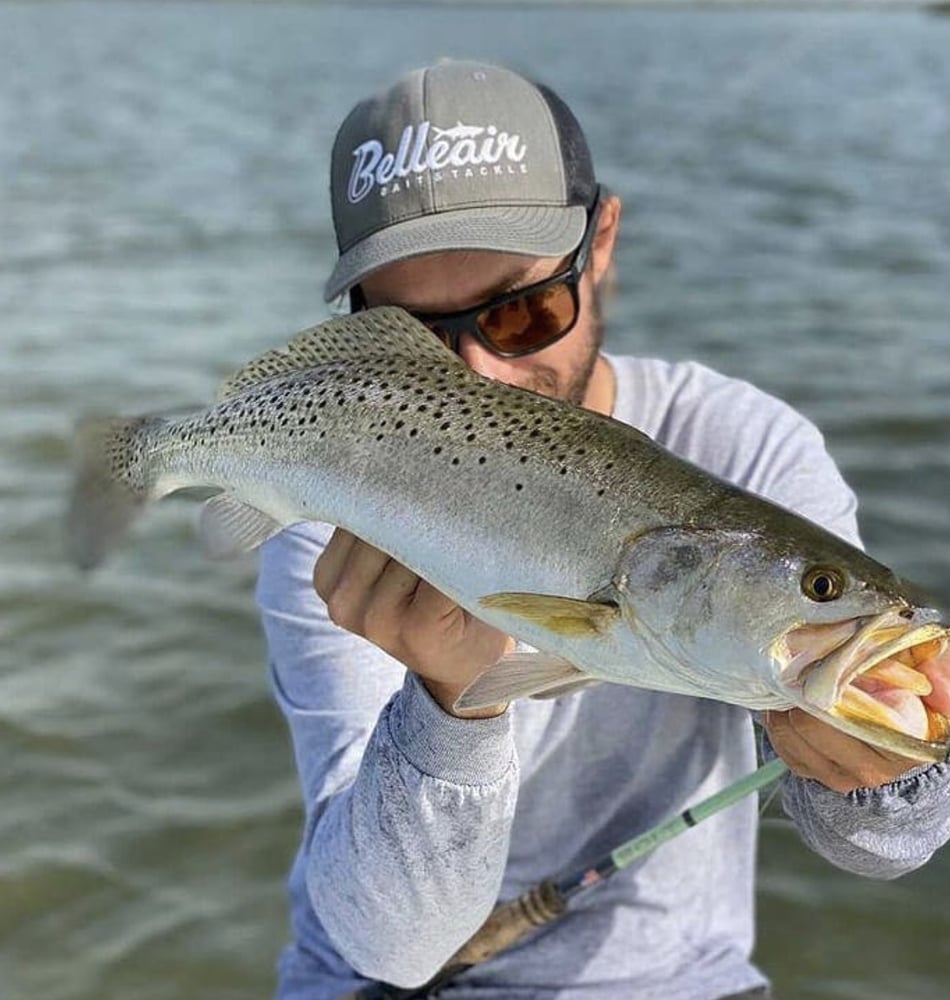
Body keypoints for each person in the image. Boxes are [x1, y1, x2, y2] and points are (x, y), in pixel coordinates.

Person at [255, 59, 950, 1000]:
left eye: (520, 311)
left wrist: (890, 774)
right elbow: (389, 944)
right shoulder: (332, 507)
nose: (479, 376)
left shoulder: (748, 448)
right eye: (414, 334)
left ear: (604, 240)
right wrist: (450, 703)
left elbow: (878, 846)